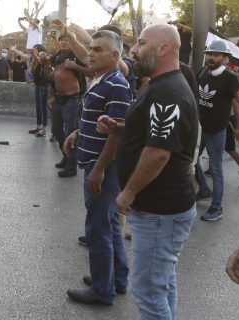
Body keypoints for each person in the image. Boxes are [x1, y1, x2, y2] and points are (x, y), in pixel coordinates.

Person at [97, 24, 198, 319]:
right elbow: (154, 132)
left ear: (163, 49)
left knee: (147, 291)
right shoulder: (159, 84)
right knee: (162, 283)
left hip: (159, 212)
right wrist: (118, 127)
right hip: (161, 210)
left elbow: (158, 153)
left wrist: (128, 192)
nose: (134, 50)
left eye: (141, 44)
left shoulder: (169, 91)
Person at [64, 30, 131, 306]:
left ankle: (103, 291)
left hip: (102, 165)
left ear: (115, 55)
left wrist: (99, 169)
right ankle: (116, 279)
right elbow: (96, 119)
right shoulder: (99, 79)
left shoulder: (116, 83)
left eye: (98, 50)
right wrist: (78, 133)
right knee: (111, 224)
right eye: (90, 48)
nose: (90, 53)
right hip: (95, 160)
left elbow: (117, 132)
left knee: (97, 228)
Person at [195, 39, 239, 221]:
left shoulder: (230, 78)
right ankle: (204, 189)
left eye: (215, 55)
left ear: (224, 57)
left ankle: (217, 207)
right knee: (192, 161)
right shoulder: (203, 71)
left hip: (216, 131)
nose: (211, 58)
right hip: (200, 129)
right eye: (209, 55)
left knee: (216, 168)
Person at [49, 35, 87, 178]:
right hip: (58, 99)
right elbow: (55, 75)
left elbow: (89, 71)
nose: (64, 42)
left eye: (67, 39)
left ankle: (71, 166)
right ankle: (66, 155)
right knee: (56, 130)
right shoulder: (57, 56)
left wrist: (75, 66)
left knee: (70, 131)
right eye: (61, 40)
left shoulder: (77, 56)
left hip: (72, 99)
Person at [28, 44, 50, 137]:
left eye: (36, 48)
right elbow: (36, 72)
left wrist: (33, 54)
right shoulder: (34, 59)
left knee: (43, 107)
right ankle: (38, 126)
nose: (34, 49)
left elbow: (41, 62)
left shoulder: (45, 58)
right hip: (38, 85)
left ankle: (44, 129)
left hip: (44, 85)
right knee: (38, 107)